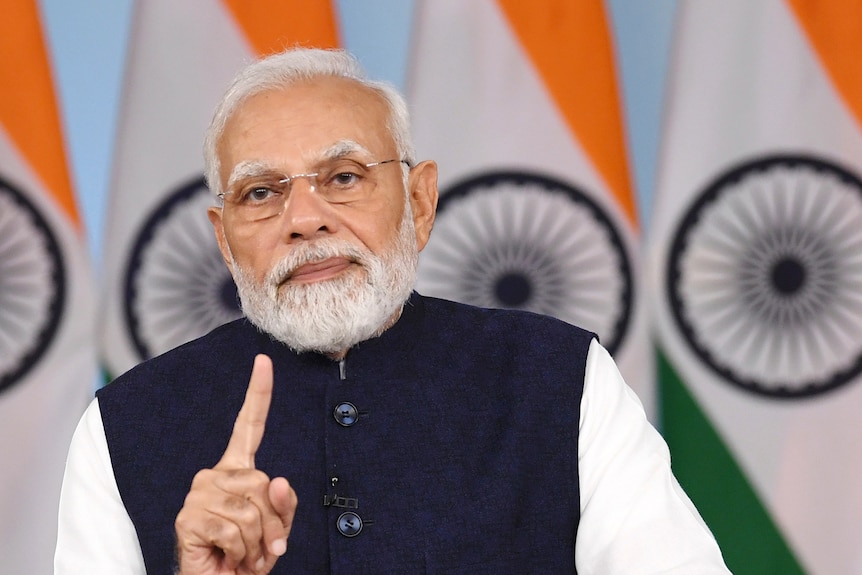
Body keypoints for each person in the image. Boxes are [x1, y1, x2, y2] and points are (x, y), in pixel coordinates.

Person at [55, 47, 731, 575]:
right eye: (260, 192)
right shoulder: (123, 425)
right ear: (224, 237)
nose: (304, 220)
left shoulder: (563, 379)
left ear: (420, 201)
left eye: (343, 177)